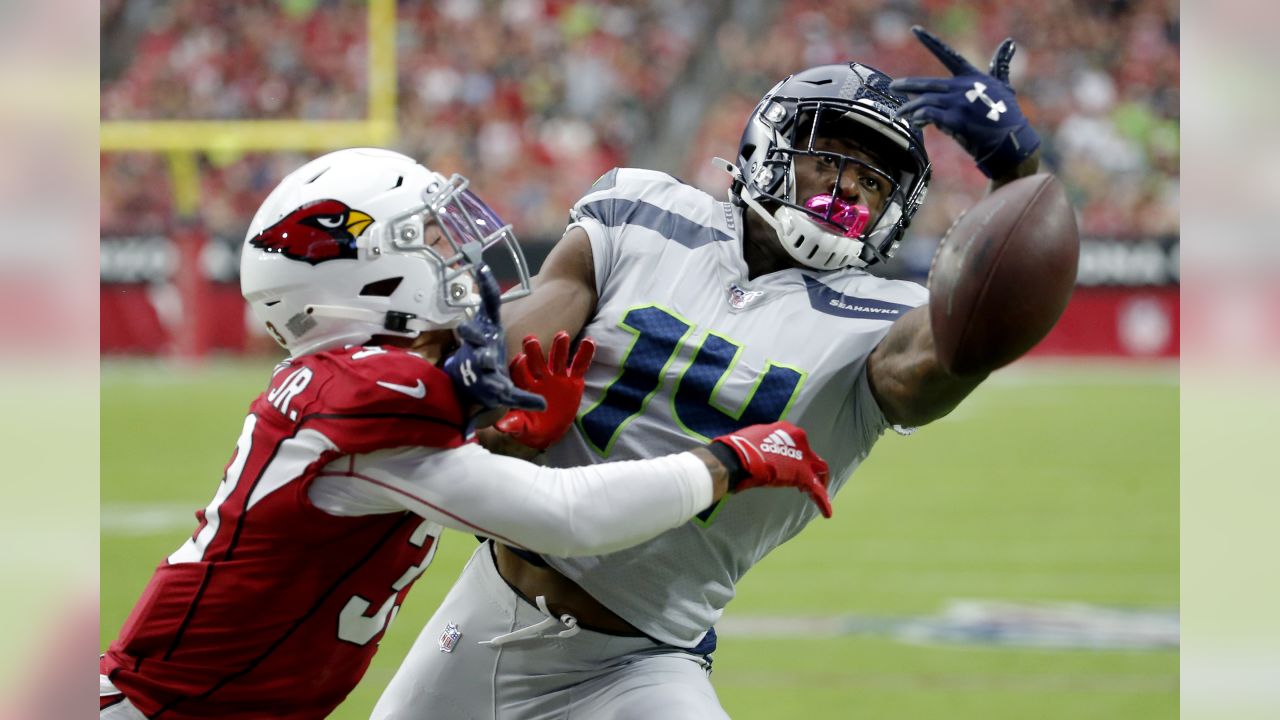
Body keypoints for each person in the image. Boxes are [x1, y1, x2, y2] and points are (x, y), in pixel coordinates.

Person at [373, 28, 1046, 719]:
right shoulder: (643, 211)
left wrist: (1018, 175)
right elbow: (494, 384)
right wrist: (502, 416)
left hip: (639, 667)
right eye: (833, 159)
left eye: (874, 183)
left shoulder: (884, 318)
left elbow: (981, 324)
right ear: (769, 146)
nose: (848, 192)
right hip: (487, 607)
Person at [98, 148, 833, 720]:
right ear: (367, 273)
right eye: (424, 237)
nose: (457, 255)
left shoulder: (348, 384)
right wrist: (727, 460)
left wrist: (506, 441)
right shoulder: (372, 391)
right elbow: (566, 517)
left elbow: (405, 487)